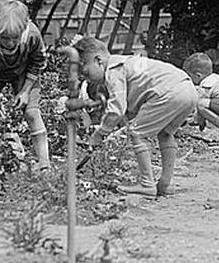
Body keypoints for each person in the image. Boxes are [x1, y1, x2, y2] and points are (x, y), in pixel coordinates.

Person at [73, 38, 197, 198]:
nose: (86, 79)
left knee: (137, 133)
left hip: (168, 92)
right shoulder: (127, 63)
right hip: (188, 89)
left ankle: (147, 184)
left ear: (99, 61)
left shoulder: (113, 70)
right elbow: (130, 109)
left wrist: (99, 133)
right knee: (165, 134)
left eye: (86, 73)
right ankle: (165, 183)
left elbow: (117, 109)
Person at [0, 0, 49, 169]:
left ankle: (44, 163)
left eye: (14, 38)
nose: (10, 43)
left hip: (24, 72)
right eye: (5, 38)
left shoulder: (32, 36)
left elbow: (37, 63)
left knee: (32, 113)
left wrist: (26, 91)